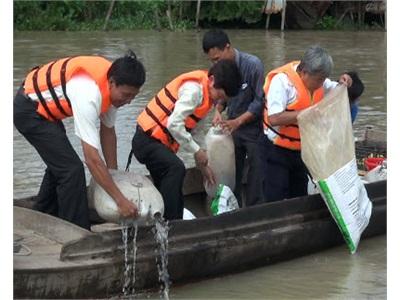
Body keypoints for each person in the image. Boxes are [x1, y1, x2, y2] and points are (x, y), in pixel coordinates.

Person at [13, 51, 146, 229]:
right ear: (112, 83)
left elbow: (108, 132)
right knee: (71, 170)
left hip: (47, 114)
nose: (128, 101)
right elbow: (91, 159)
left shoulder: (111, 89)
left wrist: (114, 175)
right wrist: (120, 200)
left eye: (133, 97)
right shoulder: (88, 94)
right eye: (126, 95)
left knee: (60, 165)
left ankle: (43, 214)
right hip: (29, 111)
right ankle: (76, 231)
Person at [127, 59, 241, 220]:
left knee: (170, 184)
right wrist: (196, 151)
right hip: (146, 140)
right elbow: (174, 124)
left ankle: (167, 222)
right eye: (219, 95)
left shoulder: (206, 97)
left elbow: (195, 133)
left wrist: (203, 166)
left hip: (159, 145)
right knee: (176, 169)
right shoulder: (194, 91)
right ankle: (172, 226)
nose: (218, 100)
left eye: (223, 99)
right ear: (212, 80)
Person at [260, 45, 353, 202]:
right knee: (275, 195)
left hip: (301, 150)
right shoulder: (282, 82)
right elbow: (274, 118)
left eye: (323, 79)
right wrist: (306, 114)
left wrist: (345, 81)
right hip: (276, 150)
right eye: (319, 80)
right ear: (304, 73)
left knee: (299, 193)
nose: (321, 83)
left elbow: (336, 89)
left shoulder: (318, 81)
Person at [202, 29, 265, 207]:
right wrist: (217, 111)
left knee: (256, 171)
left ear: (227, 48)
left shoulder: (253, 65)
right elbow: (221, 97)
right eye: (212, 60)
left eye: (217, 58)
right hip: (231, 127)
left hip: (253, 128)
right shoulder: (218, 70)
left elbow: (260, 101)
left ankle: (255, 209)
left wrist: (239, 121)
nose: (215, 63)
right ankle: (231, 206)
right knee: (231, 171)